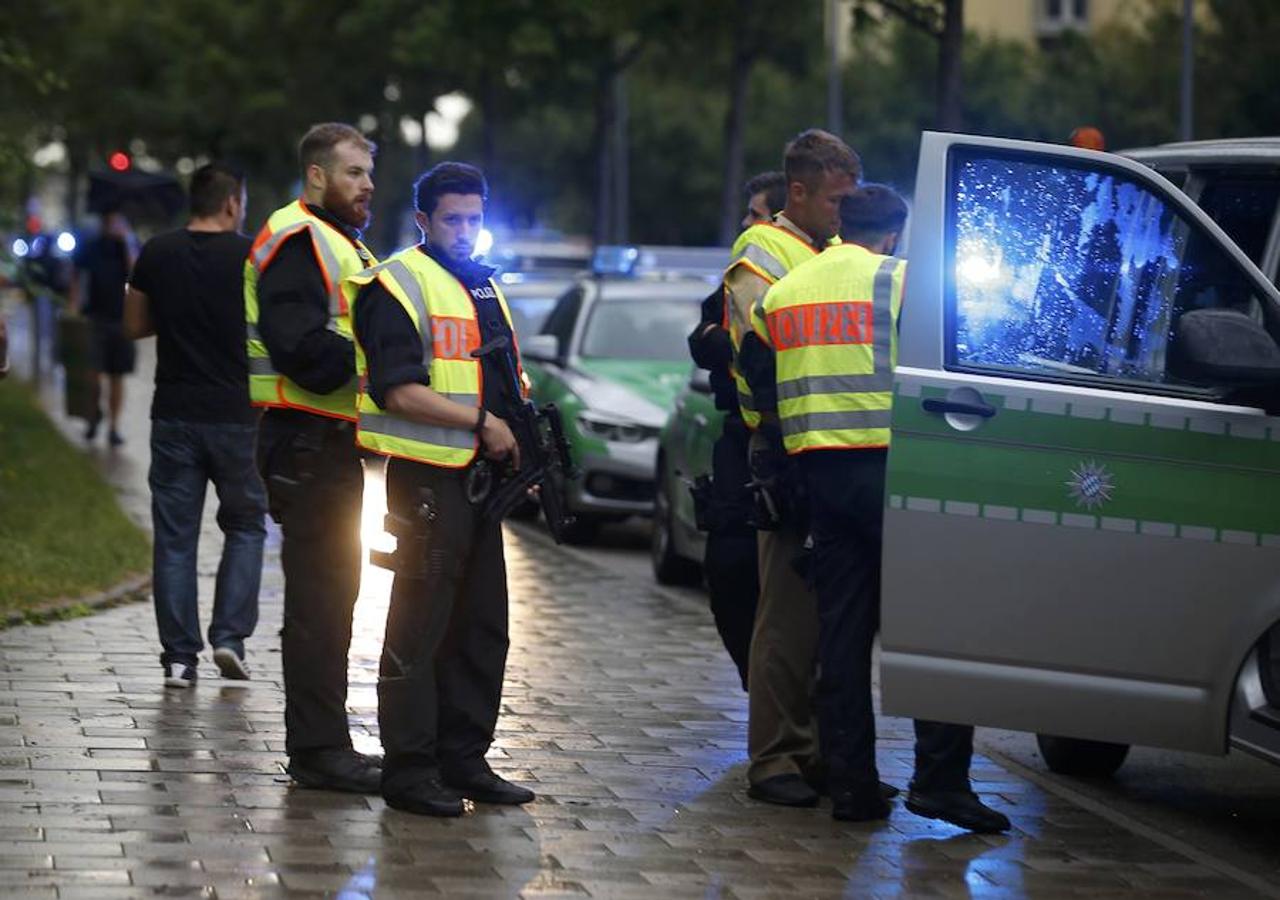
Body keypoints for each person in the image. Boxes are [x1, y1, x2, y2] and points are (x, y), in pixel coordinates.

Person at [750, 185, 1010, 833]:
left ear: (842, 222)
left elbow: (760, 377)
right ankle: (940, 782)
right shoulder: (903, 282)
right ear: (894, 233)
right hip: (898, 472)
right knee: (934, 627)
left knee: (841, 637)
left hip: (820, 479)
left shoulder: (788, 289)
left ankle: (852, 788)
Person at [347, 161, 533, 817]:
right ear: (423, 220)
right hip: (426, 483)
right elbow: (398, 390)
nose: (465, 231)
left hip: (481, 484)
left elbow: (506, 383)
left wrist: (524, 448)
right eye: (453, 219)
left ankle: (466, 759)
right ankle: (410, 769)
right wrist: (484, 424)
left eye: (475, 219)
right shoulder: (394, 285)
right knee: (419, 627)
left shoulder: (485, 287)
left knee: (483, 627)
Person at [724, 130, 859, 808]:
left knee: (825, 614)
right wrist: (782, 444)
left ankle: (813, 752)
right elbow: (759, 353)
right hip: (782, 447)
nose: (842, 212)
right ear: (797, 192)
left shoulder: (829, 251)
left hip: (832, 447)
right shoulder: (763, 251)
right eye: (834, 200)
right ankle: (774, 758)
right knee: (786, 614)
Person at [246, 123, 380, 793]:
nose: (367, 185)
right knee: (321, 604)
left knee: (333, 599)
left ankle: (326, 744)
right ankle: (319, 753)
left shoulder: (337, 242)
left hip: (324, 444)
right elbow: (300, 348)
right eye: (354, 172)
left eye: (369, 173)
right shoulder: (300, 240)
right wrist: (382, 359)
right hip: (306, 440)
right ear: (318, 176)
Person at [123, 163, 267, 689]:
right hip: (240, 416)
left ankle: (180, 659)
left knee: (176, 540)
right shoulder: (254, 255)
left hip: (175, 414)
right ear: (232, 203)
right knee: (247, 527)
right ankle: (229, 639)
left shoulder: (157, 252)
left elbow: (134, 325)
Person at [688, 171, 786, 690]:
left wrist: (723, 344)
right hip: (738, 438)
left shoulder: (797, 276)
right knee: (727, 571)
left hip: (787, 444)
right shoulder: (737, 277)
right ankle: (759, 685)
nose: (744, 223)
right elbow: (703, 338)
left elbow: (729, 345)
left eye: (753, 213)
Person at [70, 209, 138, 446]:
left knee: (117, 376)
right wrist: (74, 306)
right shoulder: (92, 245)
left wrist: (126, 240)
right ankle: (93, 417)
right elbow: (76, 274)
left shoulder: (128, 245)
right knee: (92, 375)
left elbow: (136, 272)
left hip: (122, 320)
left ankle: (114, 427)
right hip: (95, 318)